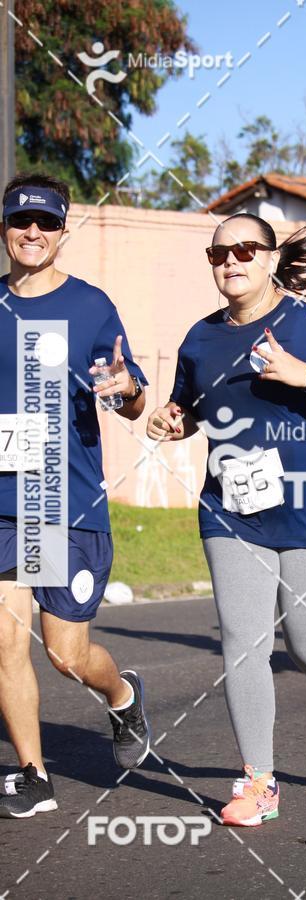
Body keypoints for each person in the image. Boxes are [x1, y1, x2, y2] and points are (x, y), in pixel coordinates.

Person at [147, 214, 306, 826]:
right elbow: (192, 409)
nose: (231, 261)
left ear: (270, 256)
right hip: (232, 510)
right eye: (218, 252)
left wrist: (304, 375)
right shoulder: (200, 339)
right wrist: (173, 420)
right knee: (244, 643)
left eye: (245, 250)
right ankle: (259, 783)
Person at [0, 174, 151, 818]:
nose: (32, 232)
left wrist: (125, 389)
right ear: (4, 227)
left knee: (65, 655)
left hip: (68, 506)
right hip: (7, 506)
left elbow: (134, 395)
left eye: (47, 222)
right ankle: (34, 776)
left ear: (63, 231)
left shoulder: (91, 306)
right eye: (20, 220)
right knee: (6, 645)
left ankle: (121, 695)